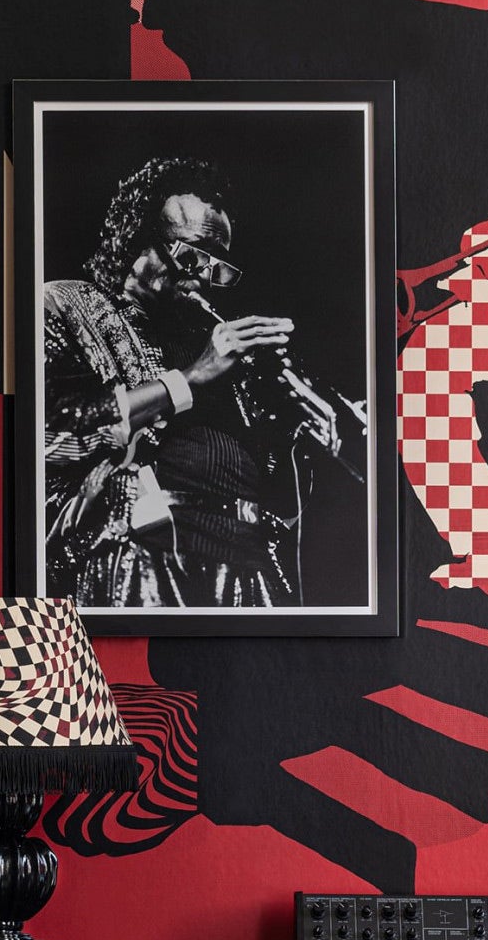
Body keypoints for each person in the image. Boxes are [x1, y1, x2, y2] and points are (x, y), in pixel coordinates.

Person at [41, 155, 350, 609]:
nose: (205, 277)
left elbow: (277, 498)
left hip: (248, 570)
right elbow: (55, 432)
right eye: (192, 255)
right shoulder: (66, 303)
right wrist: (189, 379)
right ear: (136, 242)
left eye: (219, 266)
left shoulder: (210, 340)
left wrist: (290, 428)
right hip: (142, 556)